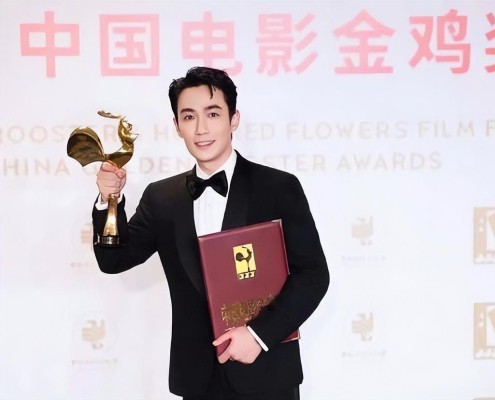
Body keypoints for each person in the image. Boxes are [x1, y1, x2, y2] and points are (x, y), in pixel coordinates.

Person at [93, 66, 329, 400]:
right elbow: (113, 260)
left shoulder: (278, 187)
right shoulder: (162, 198)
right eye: (189, 117)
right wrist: (109, 201)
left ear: (234, 119)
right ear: (177, 126)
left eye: (213, 113)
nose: (201, 128)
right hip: (198, 379)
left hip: (267, 372)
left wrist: (259, 335)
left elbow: (313, 275)